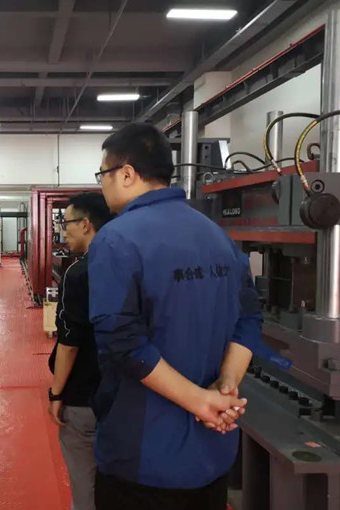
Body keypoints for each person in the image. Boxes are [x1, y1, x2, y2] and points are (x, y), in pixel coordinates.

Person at [89, 123, 262, 510]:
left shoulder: (117, 239)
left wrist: (201, 402)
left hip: (145, 457)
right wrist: (225, 386)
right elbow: (249, 320)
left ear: (127, 174)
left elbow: (122, 342)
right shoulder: (218, 236)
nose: (102, 185)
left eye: (103, 174)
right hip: (213, 451)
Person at [47, 193, 112, 510]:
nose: (64, 231)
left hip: (84, 397)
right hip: (122, 395)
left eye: (67, 223)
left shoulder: (79, 273)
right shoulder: (129, 265)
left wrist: (56, 393)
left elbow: (70, 342)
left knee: (85, 486)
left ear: (86, 224)